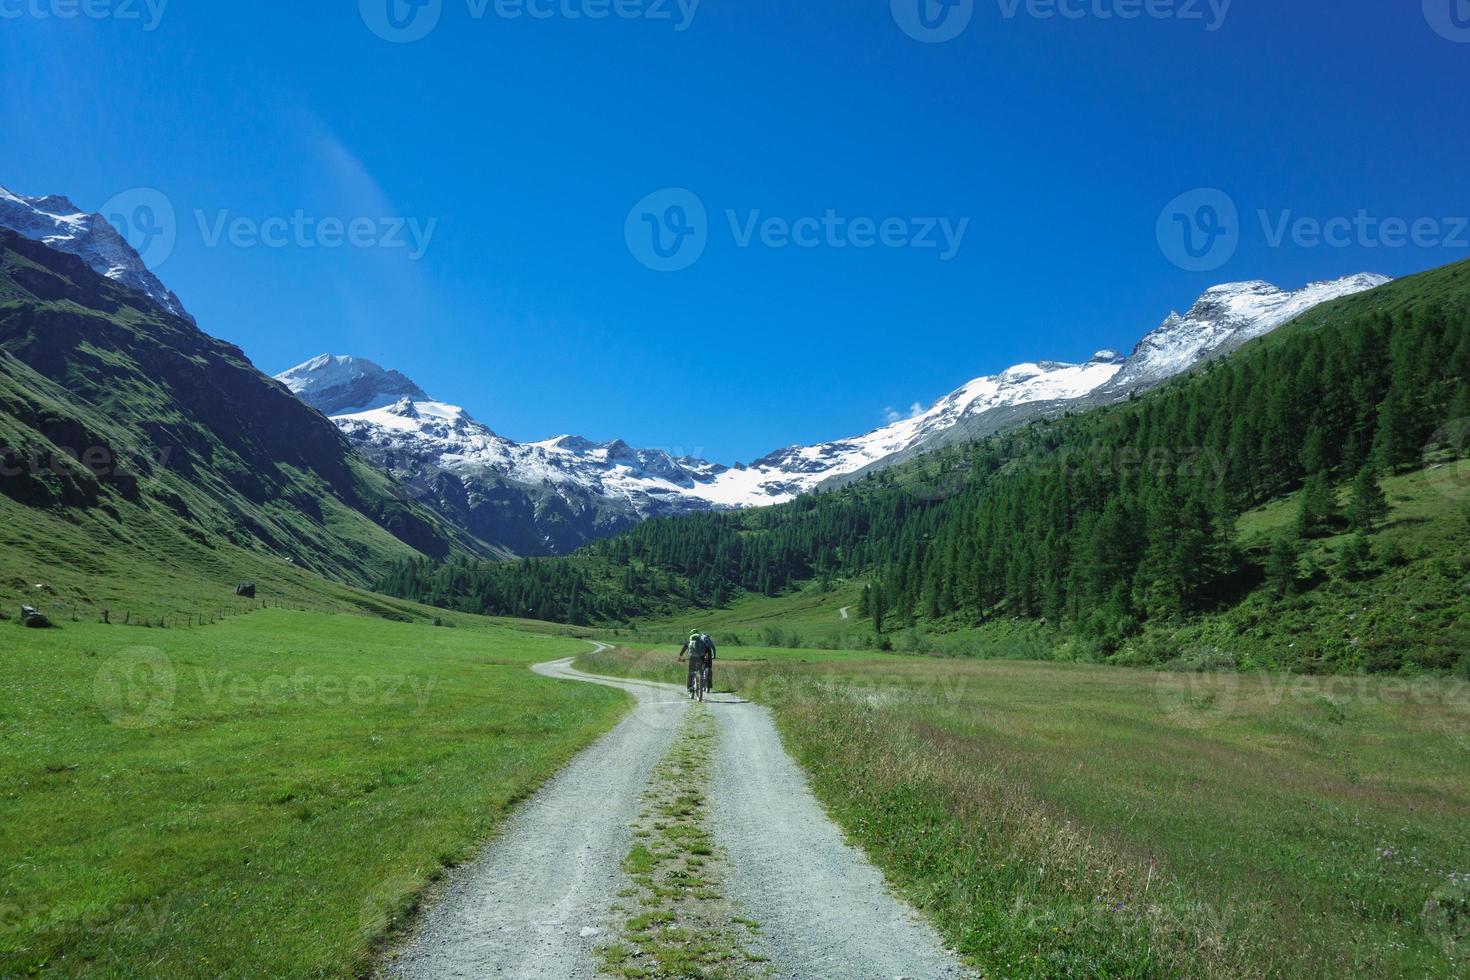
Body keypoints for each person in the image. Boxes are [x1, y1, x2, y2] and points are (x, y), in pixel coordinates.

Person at [677, 629, 715, 696]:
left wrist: (680, 657)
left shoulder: (689, 641)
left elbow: (683, 650)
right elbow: (707, 649)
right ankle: (703, 682)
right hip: (701, 658)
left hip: (692, 659)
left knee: (691, 673)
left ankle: (689, 688)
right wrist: (707, 658)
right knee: (701, 671)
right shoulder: (702, 641)